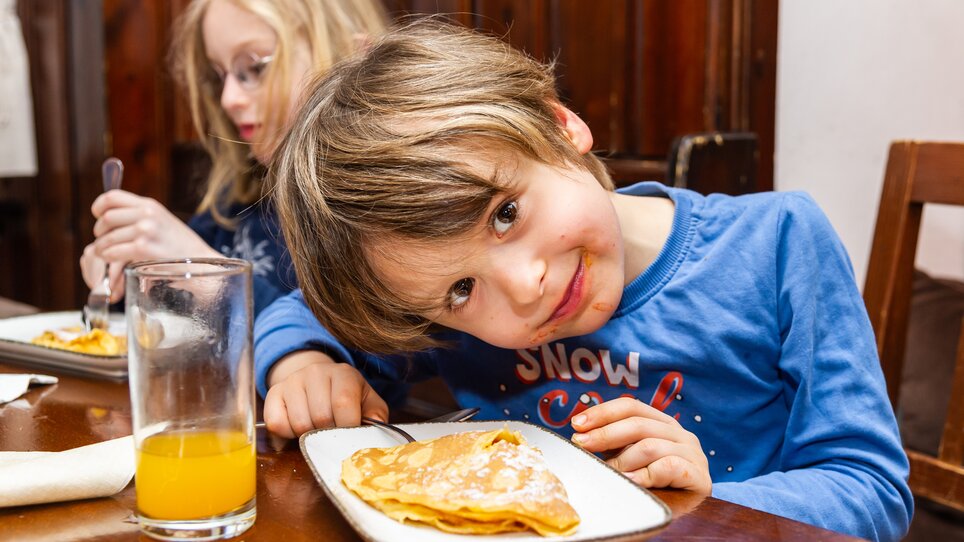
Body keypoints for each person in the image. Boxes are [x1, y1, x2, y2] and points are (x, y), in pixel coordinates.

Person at [255, 20, 913, 541]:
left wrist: (706, 503)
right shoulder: (435, 300)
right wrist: (301, 361)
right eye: (461, 290)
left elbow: (872, 492)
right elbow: (305, 314)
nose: (524, 286)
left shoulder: (778, 245)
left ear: (561, 128)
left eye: (505, 214)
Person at [79, 0, 389, 316]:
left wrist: (213, 276)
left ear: (352, 61)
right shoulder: (235, 207)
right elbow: (172, 327)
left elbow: (367, 357)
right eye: (220, 75)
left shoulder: (390, 216)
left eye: (255, 67)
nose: (228, 99)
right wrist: (127, 279)